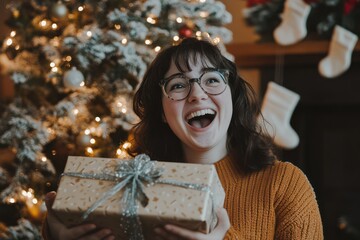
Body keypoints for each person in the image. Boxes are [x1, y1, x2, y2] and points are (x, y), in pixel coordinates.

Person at [43, 37, 323, 239]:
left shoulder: (284, 184)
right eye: (178, 85)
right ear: (164, 113)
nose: (197, 93)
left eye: (212, 79)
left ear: (232, 99)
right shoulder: (132, 193)